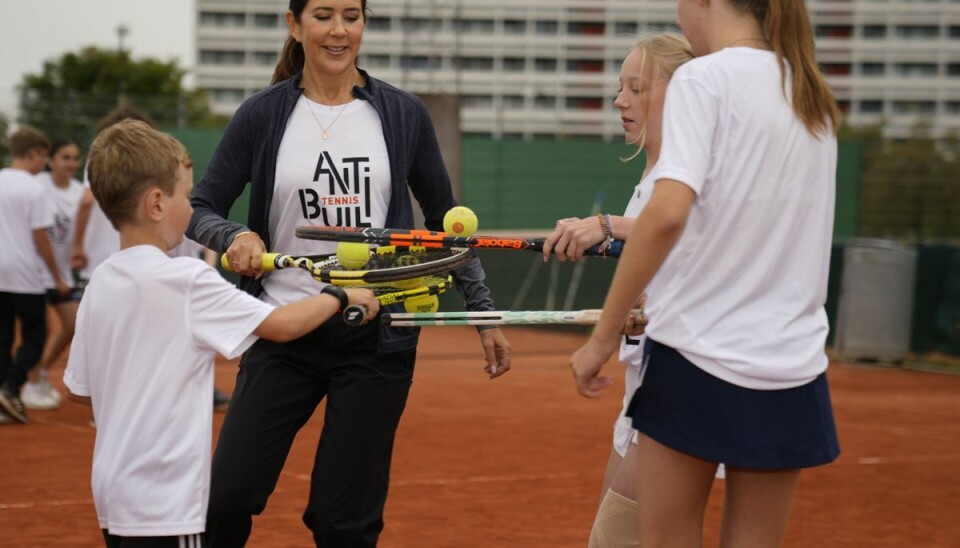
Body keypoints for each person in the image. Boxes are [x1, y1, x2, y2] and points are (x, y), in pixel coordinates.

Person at [187, 1, 512, 545]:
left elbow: (445, 227)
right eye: (322, 15)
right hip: (284, 328)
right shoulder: (262, 114)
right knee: (226, 498)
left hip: (376, 340)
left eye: (351, 15)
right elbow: (201, 207)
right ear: (295, 24)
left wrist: (485, 314)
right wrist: (233, 235)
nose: (339, 30)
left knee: (344, 522)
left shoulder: (403, 113)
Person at [568, 0, 842, 545]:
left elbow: (667, 214)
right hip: (794, 367)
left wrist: (603, 336)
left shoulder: (702, 78)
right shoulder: (810, 91)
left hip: (697, 358)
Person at [63, 119, 380, 547]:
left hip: (113, 494)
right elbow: (282, 326)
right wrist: (342, 296)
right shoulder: (188, 279)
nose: (192, 209)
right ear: (156, 204)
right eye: (185, 195)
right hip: (168, 503)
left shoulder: (100, 281)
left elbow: (81, 390)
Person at [542, 33, 693, 548]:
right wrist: (635, 307)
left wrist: (606, 224)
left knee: (618, 539)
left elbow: (687, 227)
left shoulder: (688, 173)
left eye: (637, 87)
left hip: (677, 382)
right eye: (620, 87)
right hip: (643, 384)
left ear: (683, 93)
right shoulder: (652, 176)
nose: (620, 101)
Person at [0, 126, 68, 424]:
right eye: (43, 155)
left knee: (2, 338)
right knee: (35, 335)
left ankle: (5, 395)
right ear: (33, 154)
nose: (44, 162)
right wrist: (57, 275)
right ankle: (11, 386)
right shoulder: (34, 188)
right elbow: (41, 237)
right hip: (25, 274)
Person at [20, 138, 85, 411]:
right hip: (34, 270)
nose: (70, 163)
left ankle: (39, 373)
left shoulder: (80, 192)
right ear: (51, 161)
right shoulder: (38, 186)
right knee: (39, 330)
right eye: (64, 157)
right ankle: (27, 382)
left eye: (74, 158)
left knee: (72, 324)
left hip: (61, 272)